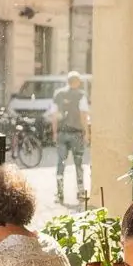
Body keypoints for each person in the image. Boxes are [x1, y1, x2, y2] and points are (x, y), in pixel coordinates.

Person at [51, 70, 90, 205]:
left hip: (62, 133)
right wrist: (87, 133)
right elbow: (83, 115)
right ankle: (80, 192)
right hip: (77, 133)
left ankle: (59, 193)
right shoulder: (81, 95)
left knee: (60, 163)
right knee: (79, 164)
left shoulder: (58, 94)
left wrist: (54, 132)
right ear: (78, 82)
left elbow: (54, 114)